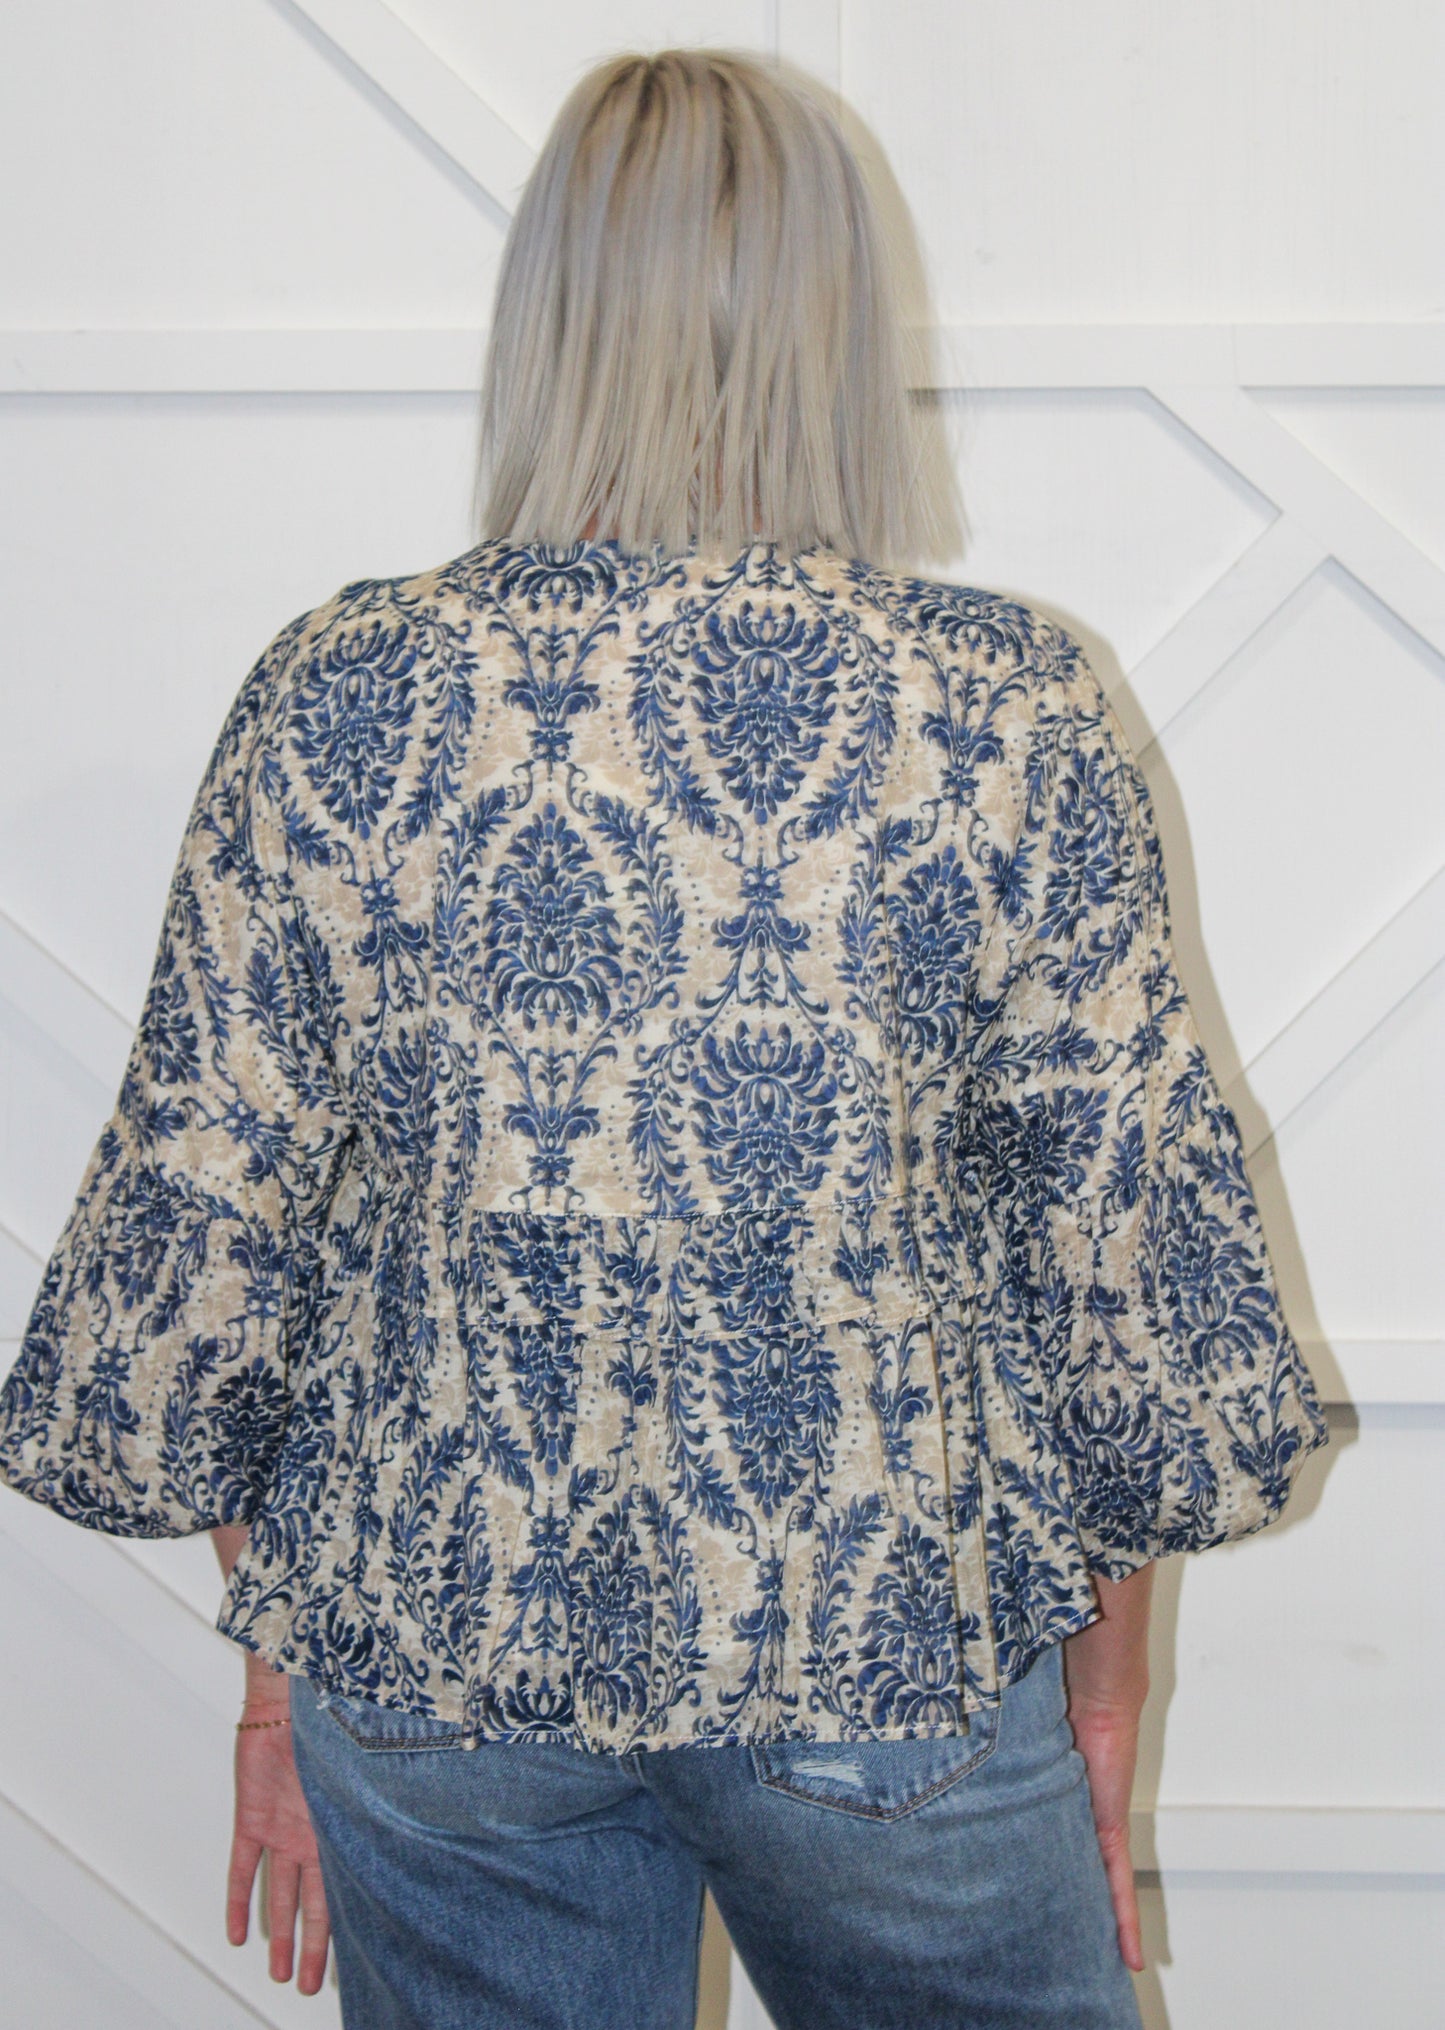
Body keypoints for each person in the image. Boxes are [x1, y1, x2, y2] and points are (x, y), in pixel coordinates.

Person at [0, 45, 1328, 2030]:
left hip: (435, 1667)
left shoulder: (339, 690)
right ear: (832, 323)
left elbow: (209, 1232)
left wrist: (286, 1670)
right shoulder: (998, 709)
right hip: (885, 1653)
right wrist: (1106, 1685)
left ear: (545, 314)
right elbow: (1127, 1262)